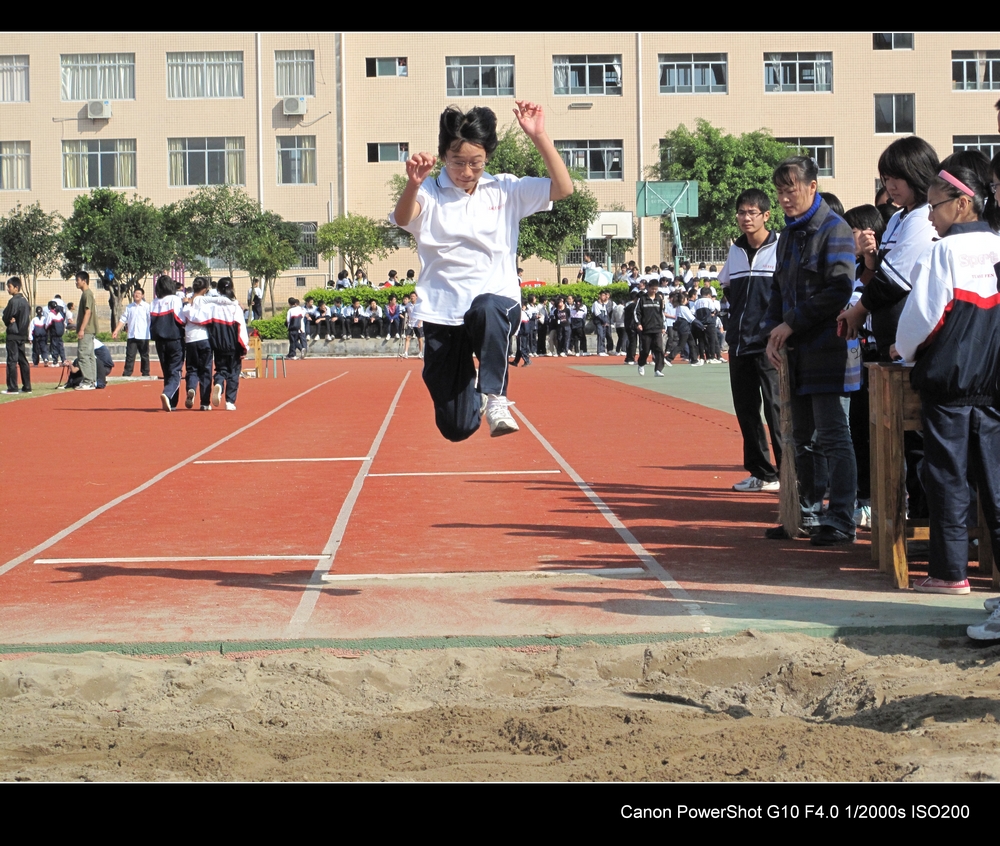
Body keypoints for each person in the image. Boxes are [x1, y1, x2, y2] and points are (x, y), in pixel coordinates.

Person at [390, 100, 573, 440]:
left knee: (488, 306)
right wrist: (413, 183)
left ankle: (496, 396)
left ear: (487, 157)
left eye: (476, 163)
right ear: (444, 156)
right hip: (443, 315)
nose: (467, 172)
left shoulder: (505, 188)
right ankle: (470, 394)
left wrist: (539, 135)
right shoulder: (429, 191)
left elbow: (563, 188)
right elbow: (403, 219)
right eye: (458, 162)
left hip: (497, 301)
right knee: (457, 427)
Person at [894, 154, 1000, 613]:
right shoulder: (998, 246)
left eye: (935, 205)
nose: (931, 216)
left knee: (947, 481)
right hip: (993, 387)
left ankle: (950, 572)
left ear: (962, 204)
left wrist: (907, 353)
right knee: (996, 485)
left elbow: (921, 322)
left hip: (950, 387)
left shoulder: (942, 252)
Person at [762, 156, 860, 546]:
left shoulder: (834, 230)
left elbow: (838, 291)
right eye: (781, 191)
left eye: (792, 189)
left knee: (832, 436)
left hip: (827, 348)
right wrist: (773, 333)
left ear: (812, 186)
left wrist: (791, 324)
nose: (786, 198)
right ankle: (804, 513)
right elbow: (777, 290)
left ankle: (840, 518)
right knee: (798, 436)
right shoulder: (788, 235)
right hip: (794, 350)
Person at [720, 188, 782, 494]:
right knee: (747, 412)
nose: (745, 218)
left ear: (766, 215)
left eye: (752, 212)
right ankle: (762, 472)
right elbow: (728, 287)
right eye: (741, 212)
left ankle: (788, 473)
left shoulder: (781, 247)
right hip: (739, 345)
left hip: (771, 346)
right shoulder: (735, 250)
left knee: (777, 410)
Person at [208, 277, 248, 411]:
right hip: (233, 345)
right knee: (234, 373)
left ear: (218, 289)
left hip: (218, 344)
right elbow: (241, 328)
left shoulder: (213, 306)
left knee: (220, 369)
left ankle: (219, 382)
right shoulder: (235, 307)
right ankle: (230, 401)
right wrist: (244, 348)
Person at [150, 274, 185, 411]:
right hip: (174, 339)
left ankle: (172, 402)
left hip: (160, 341)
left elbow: (151, 322)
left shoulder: (154, 302)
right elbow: (180, 319)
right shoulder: (174, 299)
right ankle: (168, 394)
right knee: (175, 371)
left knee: (167, 371)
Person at [182, 277, 213, 410]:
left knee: (192, 368)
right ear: (205, 289)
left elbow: (181, 319)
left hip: (190, 339)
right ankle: (205, 402)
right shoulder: (206, 301)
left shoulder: (186, 300)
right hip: (204, 338)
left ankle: (191, 388)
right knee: (206, 370)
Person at [113, 286, 151, 377]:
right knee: (130, 355)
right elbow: (123, 319)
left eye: (139, 293)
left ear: (142, 295)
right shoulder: (129, 307)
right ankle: (127, 372)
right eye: (135, 293)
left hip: (143, 335)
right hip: (132, 335)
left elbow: (151, 320)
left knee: (144, 356)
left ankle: (145, 372)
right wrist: (116, 330)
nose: (136, 295)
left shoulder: (147, 307)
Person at [3, 277, 31, 393]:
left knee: (12, 361)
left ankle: (12, 387)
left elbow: (6, 315)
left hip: (13, 335)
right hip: (22, 335)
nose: (8, 289)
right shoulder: (25, 302)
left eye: (9, 287)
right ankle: (27, 386)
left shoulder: (13, 301)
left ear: (16, 287)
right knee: (23, 361)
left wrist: (9, 320)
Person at [635, 278, 667, 376]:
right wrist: (638, 324)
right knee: (645, 350)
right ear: (648, 287)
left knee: (659, 349)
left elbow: (661, 313)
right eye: (652, 289)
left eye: (656, 289)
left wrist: (663, 326)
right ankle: (641, 363)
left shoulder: (659, 299)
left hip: (657, 328)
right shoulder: (642, 299)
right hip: (646, 328)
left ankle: (658, 370)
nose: (654, 291)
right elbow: (637, 312)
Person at [73, 272, 98, 391]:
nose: (76, 282)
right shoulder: (86, 294)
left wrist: (82, 329)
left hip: (87, 330)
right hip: (89, 330)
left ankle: (88, 380)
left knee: (83, 354)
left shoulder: (87, 294)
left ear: (84, 280)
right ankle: (92, 380)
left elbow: (88, 312)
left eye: (77, 280)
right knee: (90, 355)